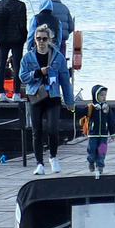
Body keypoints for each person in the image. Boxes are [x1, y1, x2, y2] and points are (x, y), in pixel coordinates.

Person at [18, 24, 71, 174]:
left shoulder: (58, 57)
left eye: (44, 39)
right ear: (34, 40)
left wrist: (69, 101)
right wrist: (38, 72)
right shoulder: (28, 57)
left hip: (53, 95)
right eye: (38, 39)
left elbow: (65, 80)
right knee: (37, 130)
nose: (41, 42)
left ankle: (53, 157)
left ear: (49, 40)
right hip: (35, 96)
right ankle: (39, 163)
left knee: (53, 129)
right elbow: (22, 77)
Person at [0, 0, 28, 96]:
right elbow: (22, 24)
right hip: (17, 39)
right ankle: (16, 92)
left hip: (2, 39)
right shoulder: (21, 5)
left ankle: (1, 92)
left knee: (1, 65)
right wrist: (24, 36)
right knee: (17, 65)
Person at [33, 0, 76, 65]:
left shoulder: (47, 8)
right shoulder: (65, 8)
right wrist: (65, 33)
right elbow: (71, 26)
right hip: (62, 39)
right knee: (61, 60)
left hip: (48, 39)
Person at [83, 84, 115, 177]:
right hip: (93, 134)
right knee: (91, 148)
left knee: (102, 150)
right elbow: (81, 111)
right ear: (95, 96)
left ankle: (100, 166)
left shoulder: (107, 108)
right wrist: (73, 109)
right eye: (101, 95)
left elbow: (111, 121)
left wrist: (112, 133)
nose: (104, 97)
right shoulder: (91, 107)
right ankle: (91, 161)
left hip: (104, 134)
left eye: (105, 95)